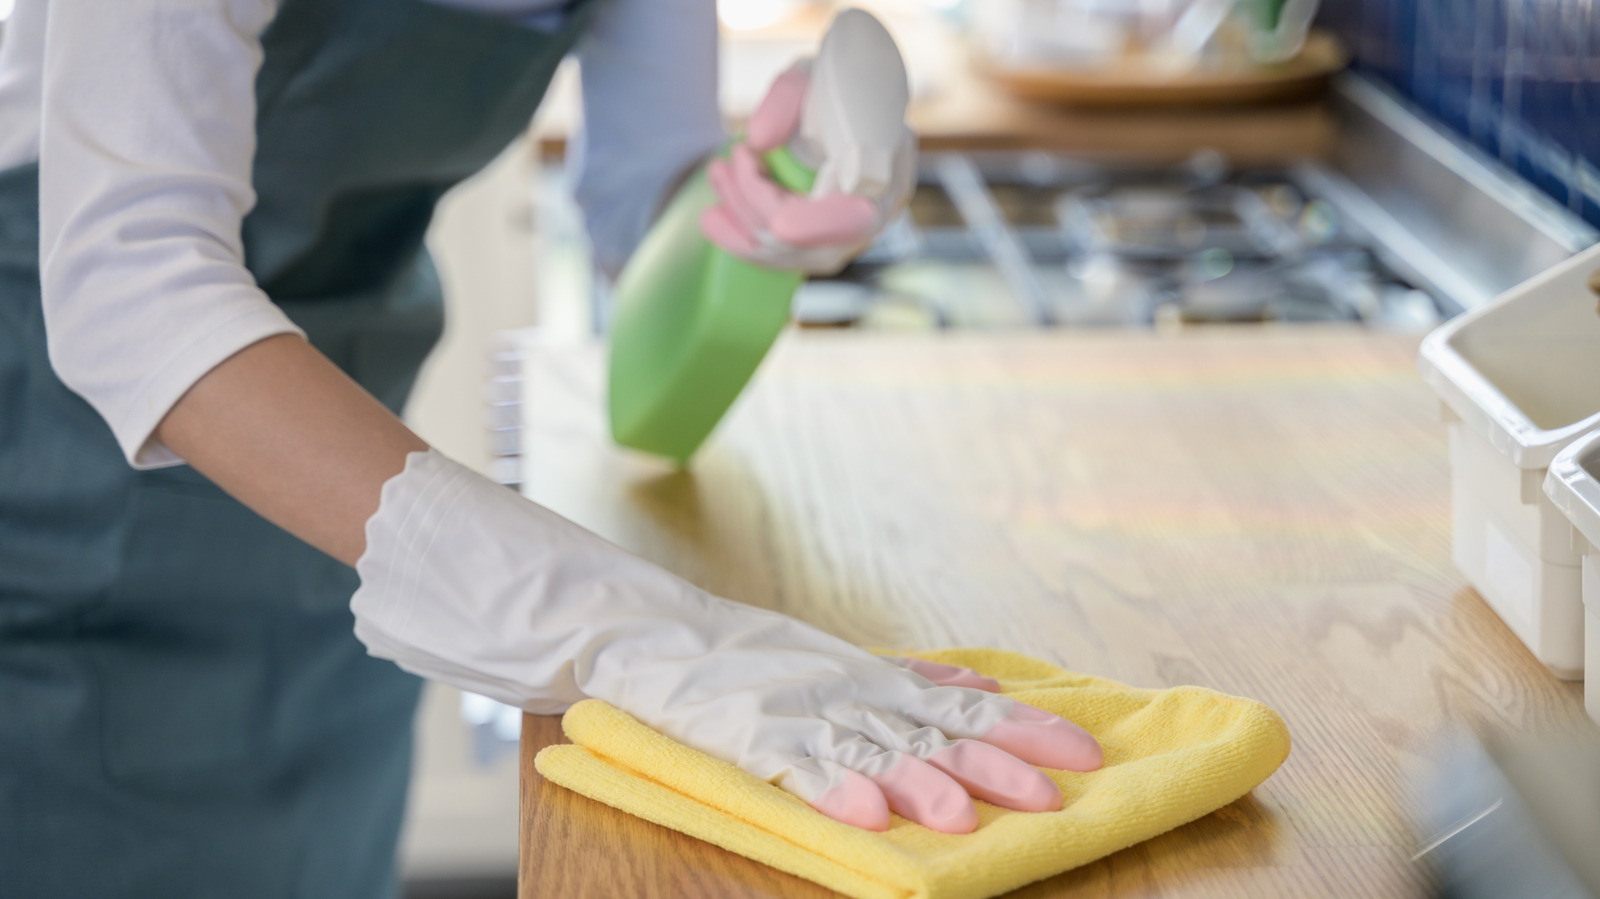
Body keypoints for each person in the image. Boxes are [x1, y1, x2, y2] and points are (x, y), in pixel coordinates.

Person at [0, 1, 1102, 895]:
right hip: (56, 472)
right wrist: (613, 617)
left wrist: (769, 208)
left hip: (346, 510)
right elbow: (131, 286)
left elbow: (645, 216)